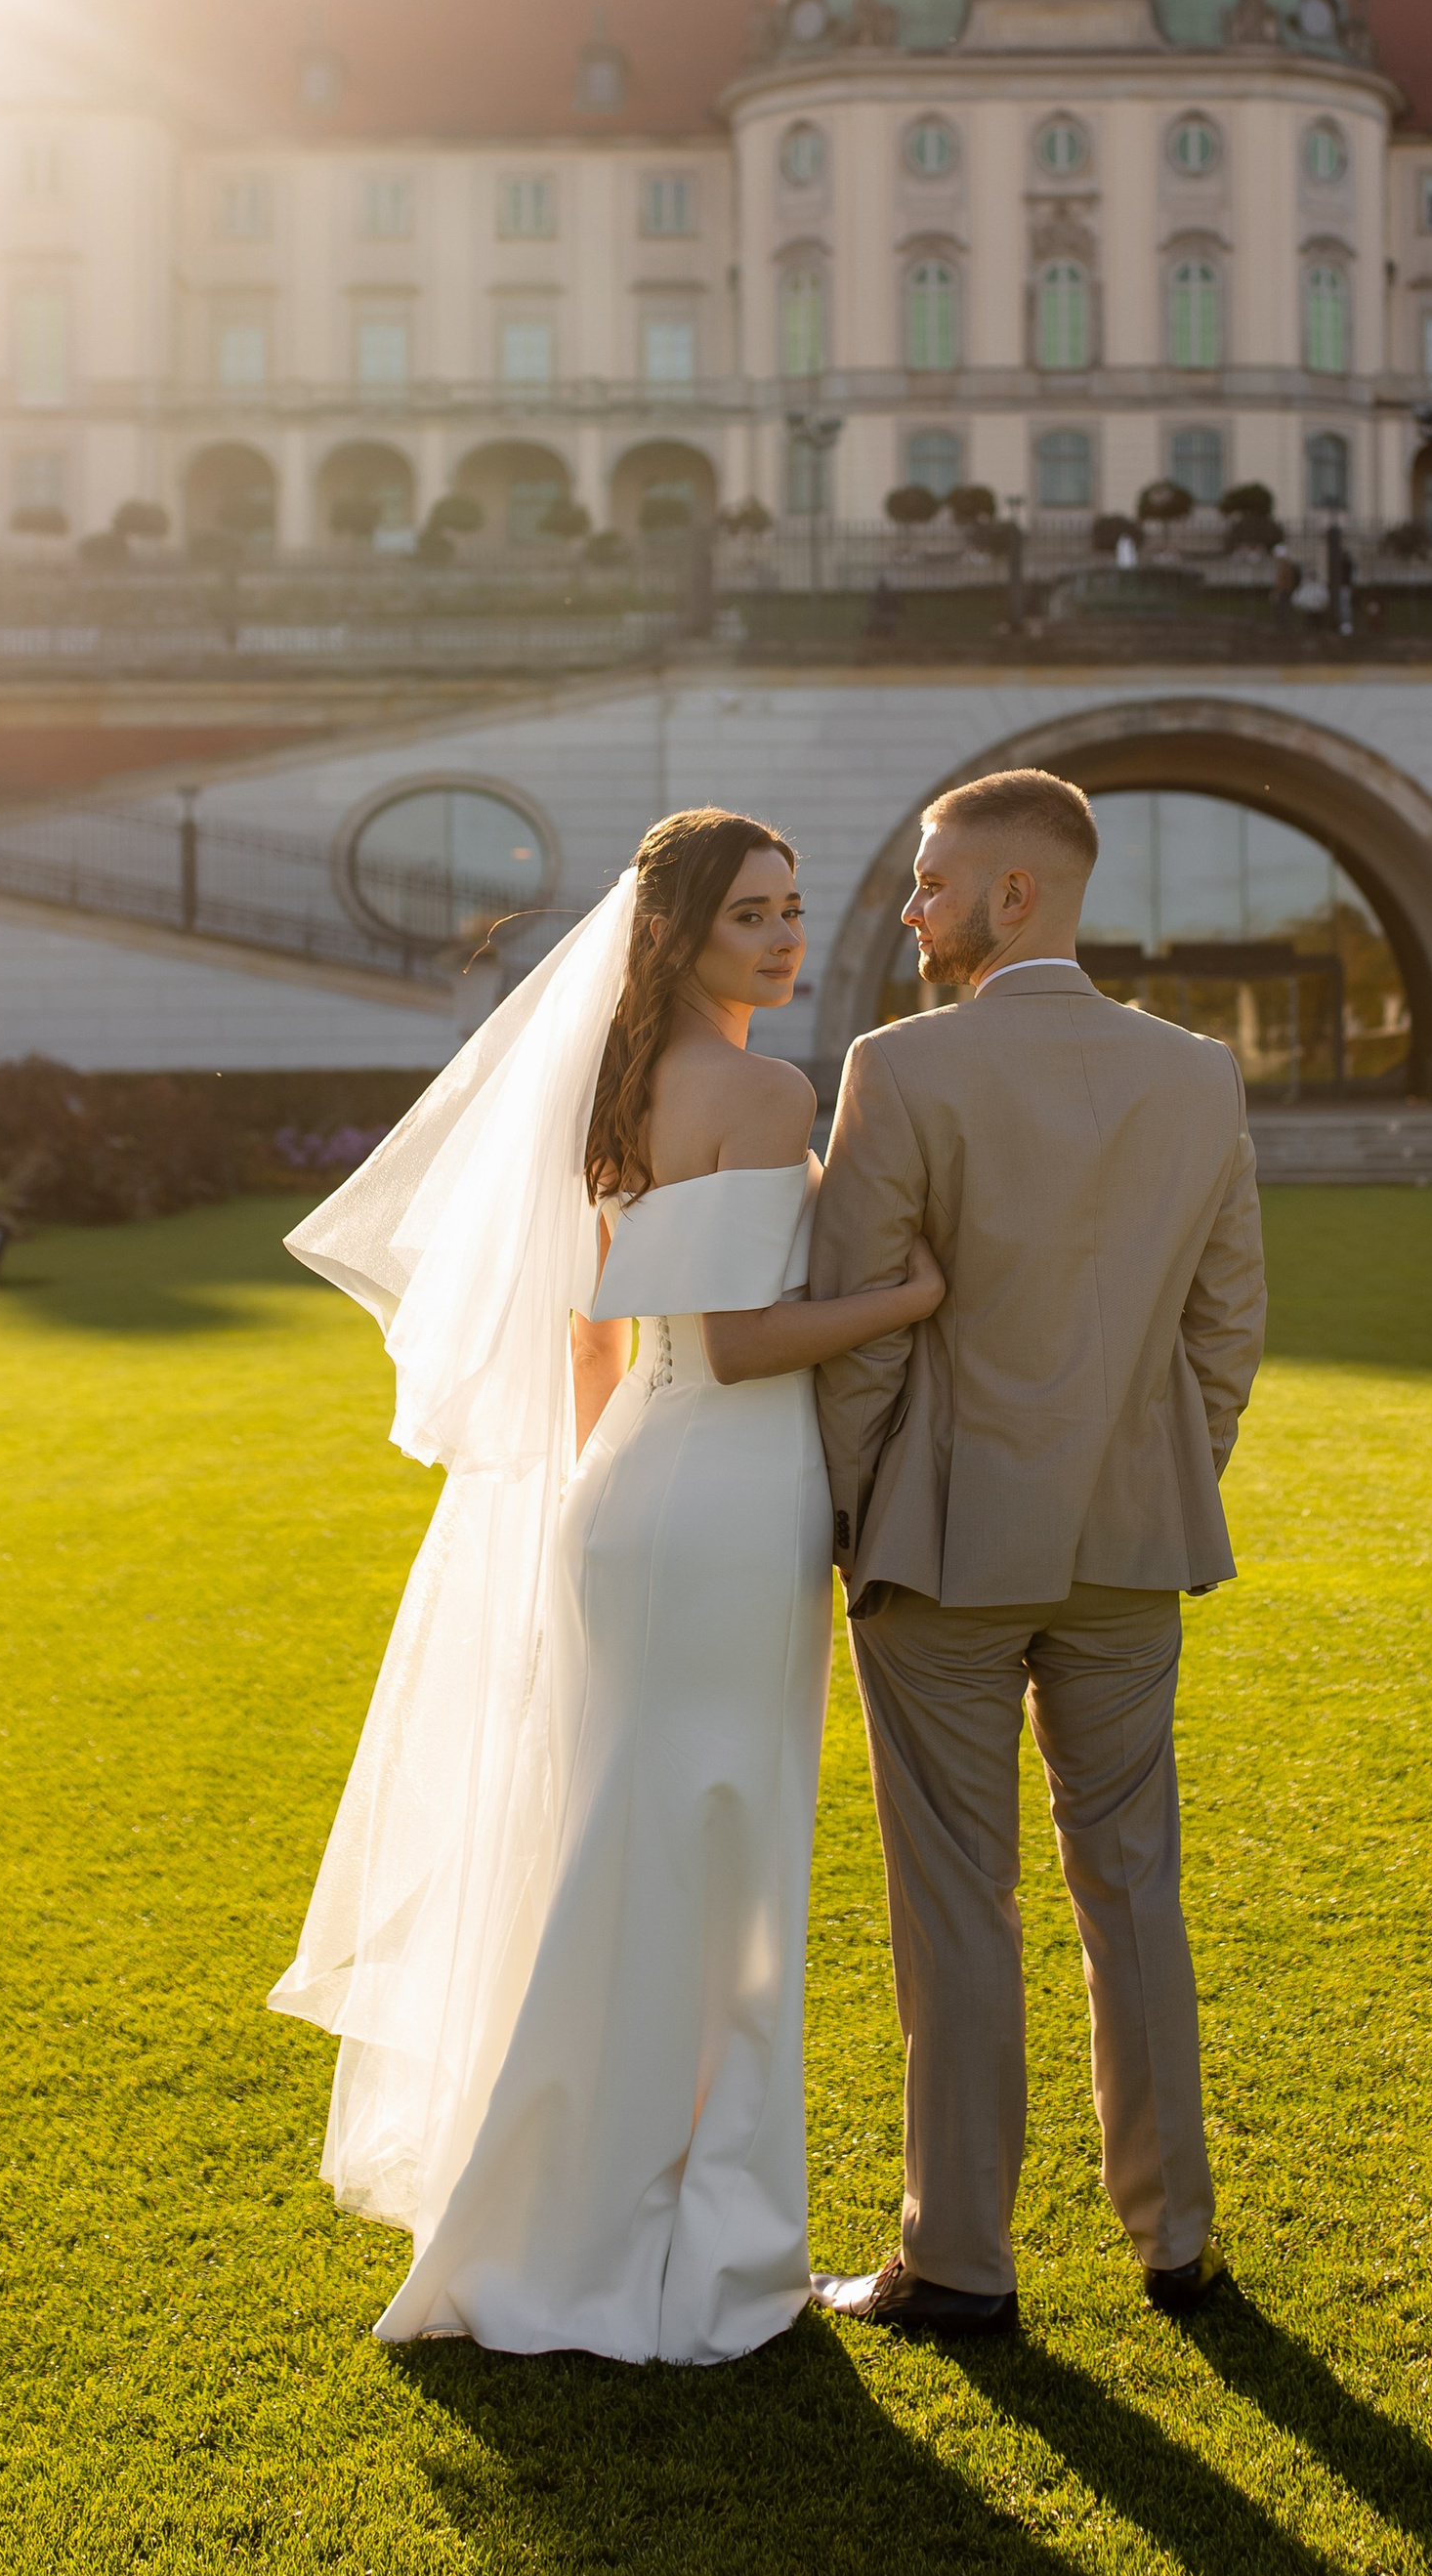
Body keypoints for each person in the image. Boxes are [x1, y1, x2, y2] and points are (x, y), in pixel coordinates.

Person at [268, 809, 943, 2362]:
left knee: (635, 1854)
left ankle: (593, 2208)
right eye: (749, 917)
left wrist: (586, 1498)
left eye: (791, 908)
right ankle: (674, 2240)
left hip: (635, 1491)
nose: (782, 938)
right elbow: (730, 1341)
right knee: (719, 1867)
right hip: (719, 1491)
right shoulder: (765, 1089)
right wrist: (906, 1294)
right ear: (682, 935)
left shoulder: (613, 1090)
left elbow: (594, 1341)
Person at [808, 767, 1268, 2336]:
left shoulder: (900, 1067)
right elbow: (1229, 1323)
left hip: (940, 1545)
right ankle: (1176, 2235)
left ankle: (960, 2260)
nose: (914, 906)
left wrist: (856, 1509)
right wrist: (1159, 1470)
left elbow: (860, 1334)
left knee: (958, 1905)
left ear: (1017, 894)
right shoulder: (1200, 1074)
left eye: (934, 880)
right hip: (1133, 1539)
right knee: (1134, 1883)